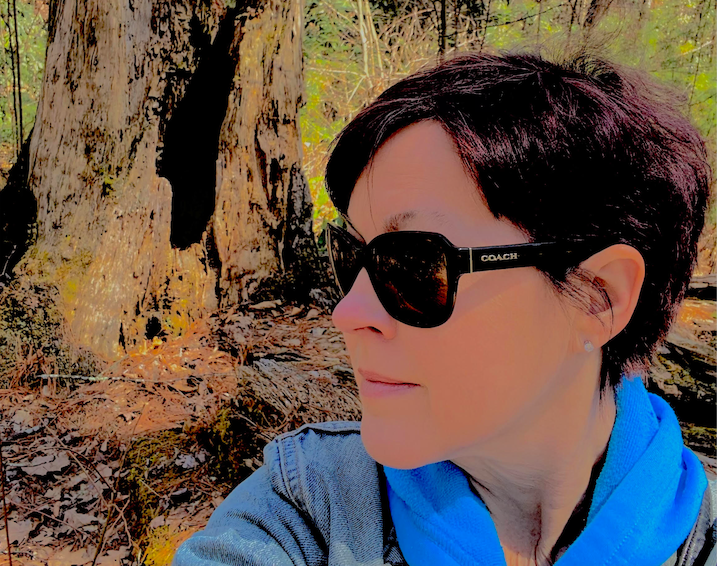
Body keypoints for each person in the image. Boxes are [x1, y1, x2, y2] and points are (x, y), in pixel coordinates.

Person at [172, 50, 716, 566]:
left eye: (413, 265)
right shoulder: (309, 508)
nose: (349, 312)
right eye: (353, 256)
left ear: (598, 296)